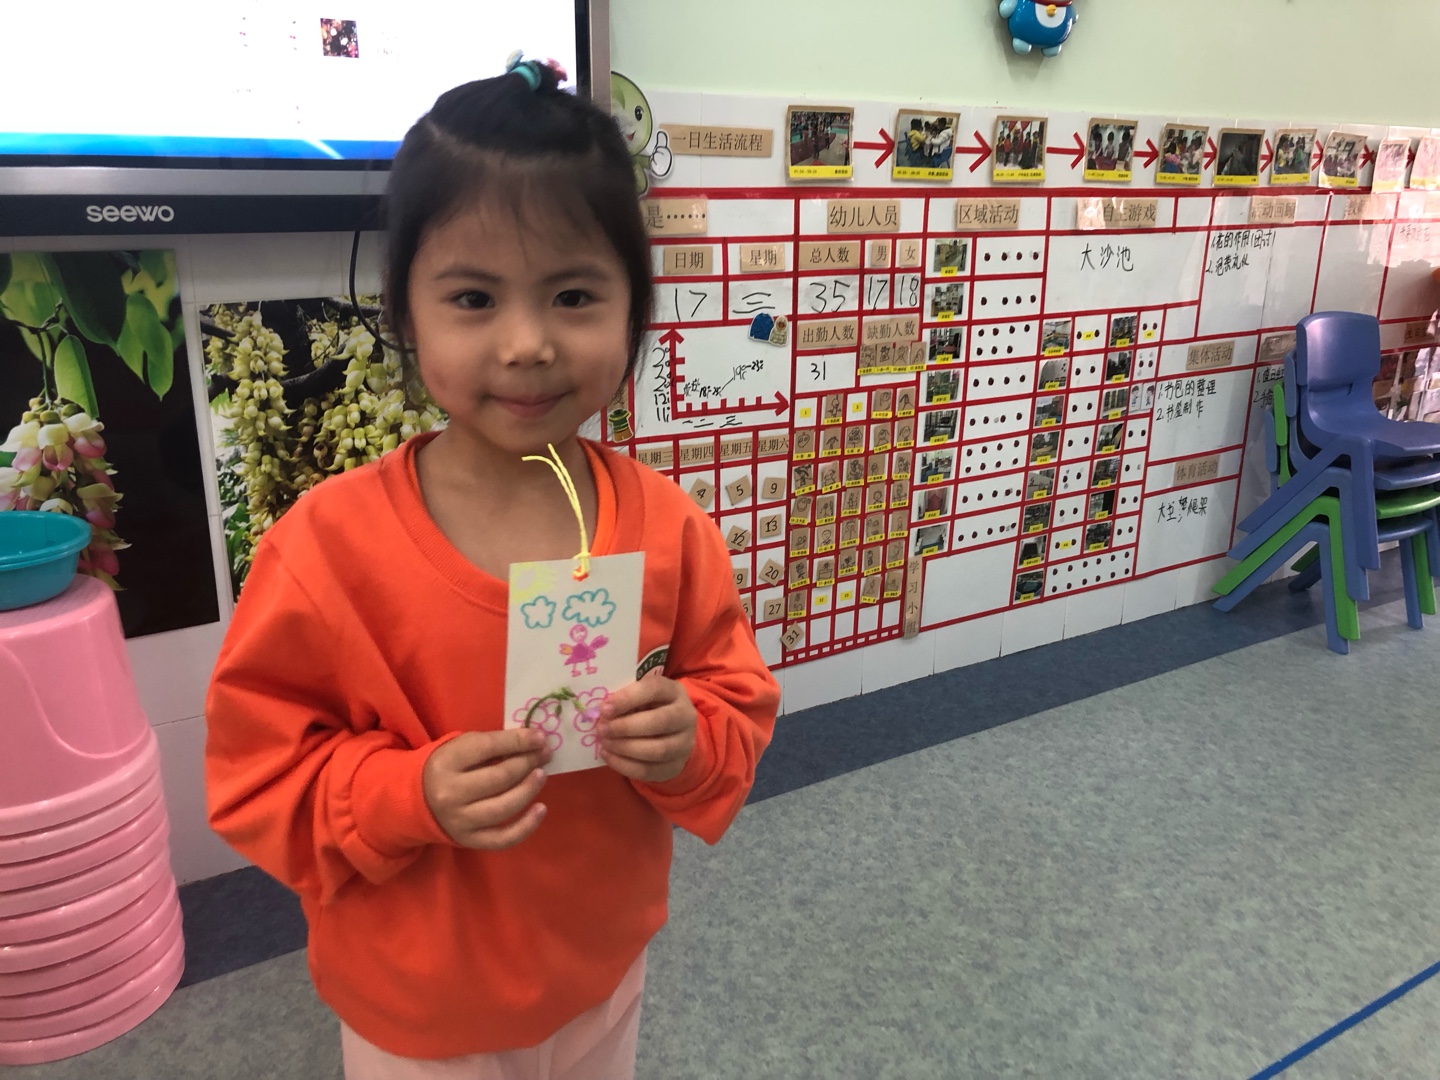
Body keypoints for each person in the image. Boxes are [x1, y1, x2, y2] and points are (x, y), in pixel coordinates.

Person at [204, 56, 779, 1080]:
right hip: (419, 1012)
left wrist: (688, 738)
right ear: (405, 313)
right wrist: (405, 793)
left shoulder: (669, 528)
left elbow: (736, 704)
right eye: (473, 298)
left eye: (573, 295)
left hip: (601, 975)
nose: (526, 345)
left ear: (634, 309)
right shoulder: (326, 549)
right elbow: (256, 777)